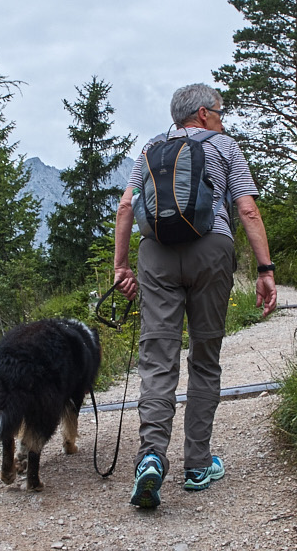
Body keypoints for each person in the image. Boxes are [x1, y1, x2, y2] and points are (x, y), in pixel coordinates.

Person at [113, 82, 277, 509]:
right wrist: (265, 269)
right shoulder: (224, 146)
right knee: (205, 355)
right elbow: (246, 209)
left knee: (157, 356)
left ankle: (151, 456)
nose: (222, 118)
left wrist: (122, 266)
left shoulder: (151, 148)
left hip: (157, 255)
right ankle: (198, 465)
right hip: (212, 250)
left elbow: (127, 207)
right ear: (203, 113)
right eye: (219, 111)